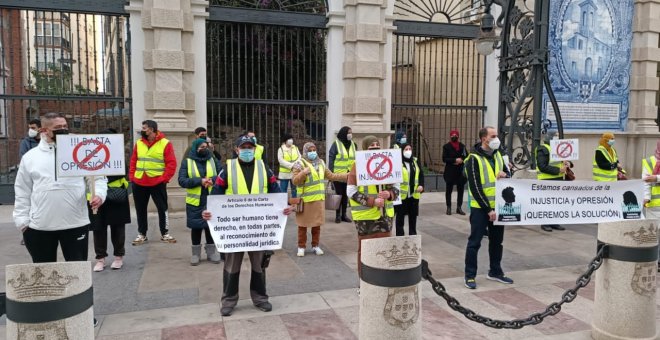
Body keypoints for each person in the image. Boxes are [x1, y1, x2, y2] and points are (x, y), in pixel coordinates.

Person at [201, 135, 292, 317]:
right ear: (236, 150)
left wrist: (285, 207)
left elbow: (276, 192)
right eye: (244, 147)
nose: (247, 150)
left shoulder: (264, 168)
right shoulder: (227, 169)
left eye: (250, 147)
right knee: (231, 266)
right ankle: (228, 300)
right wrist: (207, 211)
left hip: (259, 228)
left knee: (259, 265)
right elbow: (216, 194)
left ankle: (260, 298)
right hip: (235, 229)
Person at [13, 112, 107, 263]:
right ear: (44, 130)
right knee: (45, 275)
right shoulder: (30, 157)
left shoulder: (80, 152)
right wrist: (23, 222)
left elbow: (98, 178)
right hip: (40, 227)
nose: (63, 129)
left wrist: (100, 195)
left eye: (65, 126)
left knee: (78, 275)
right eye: (58, 127)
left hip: (75, 223)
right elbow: (22, 191)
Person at [463, 126, 513, 289]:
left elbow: (509, 175)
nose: (496, 139)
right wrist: (488, 210)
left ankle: (495, 271)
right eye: (493, 136)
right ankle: (470, 276)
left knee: (497, 242)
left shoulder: (498, 155)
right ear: (484, 138)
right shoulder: (473, 159)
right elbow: (476, 187)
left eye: (496, 136)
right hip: (481, 208)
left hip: (498, 206)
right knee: (474, 242)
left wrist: (505, 175)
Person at [348, 135, 399, 275]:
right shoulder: (357, 165)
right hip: (365, 217)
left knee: (385, 249)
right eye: (372, 146)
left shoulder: (387, 162)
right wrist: (372, 201)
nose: (375, 147)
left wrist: (389, 194)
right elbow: (351, 191)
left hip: (385, 216)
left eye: (377, 145)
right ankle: (364, 282)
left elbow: (396, 188)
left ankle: (383, 279)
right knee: (366, 250)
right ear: (365, 148)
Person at [291, 142, 348, 257]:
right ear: (305, 151)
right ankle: (301, 247)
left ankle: (315, 246)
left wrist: (348, 176)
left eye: (314, 150)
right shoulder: (299, 163)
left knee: (316, 225)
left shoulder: (321, 163)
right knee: (302, 225)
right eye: (310, 150)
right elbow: (295, 181)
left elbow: (331, 176)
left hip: (318, 200)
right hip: (305, 200)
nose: (313, 152)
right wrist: (303, 172)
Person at [129, 119, 177, 245]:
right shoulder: (139, 143)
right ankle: (142, 234)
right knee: (140, 209)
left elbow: (171, 163)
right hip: (139, 181)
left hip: (157, 182)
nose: (142, 130)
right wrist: (132, 177)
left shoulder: (165, 143)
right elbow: (133, 161)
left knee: (162, 208)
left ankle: (165, 233)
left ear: (152, 129)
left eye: (144, 128)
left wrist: (164, 179)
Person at [91, 128, 131, 272]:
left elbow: (124, 172)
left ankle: (118, 256)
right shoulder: (91, 154)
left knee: (118, 228)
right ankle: (100, 258)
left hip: (116, 194)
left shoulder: (119, 154)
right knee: (98, 228)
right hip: (96, 196)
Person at [179, 138, 222, 265]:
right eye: (201, 147)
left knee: (210, 227)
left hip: (211, 199)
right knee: (196, 227)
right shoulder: (187, 162)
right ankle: (195, 254)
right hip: (195, 201)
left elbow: (222, 175)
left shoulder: (213, 159)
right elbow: (182, 180)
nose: (204, 149)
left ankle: (211, 252)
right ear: (195, 148)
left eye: (206, 146)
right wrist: (200, 181)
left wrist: (211, 180)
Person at [535, 130, 570, 232]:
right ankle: (545, 223)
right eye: (555, 136)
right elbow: (542, 166)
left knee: (556, 202)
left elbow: (560, 162)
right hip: (546, 180)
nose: (557, 138)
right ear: (549, 137)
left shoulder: (557, 149)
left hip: (558, 179)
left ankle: (554, 222)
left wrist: (567, 164)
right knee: (547, 202)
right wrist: (558, 170)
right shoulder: (542, 149)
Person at [328, 126, 357, 223]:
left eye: (351, 132)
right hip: (338, 175)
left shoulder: (353, 144)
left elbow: (355, 159)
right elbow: (331, 159)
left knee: (346, 195)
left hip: (350, 175)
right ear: (344, 133)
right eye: (349, 132)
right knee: (338, 195)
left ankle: (344, 214)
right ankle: (337, 215)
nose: (350, 134)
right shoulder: (336, 144)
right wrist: (330, 174)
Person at [395, 143, 424, 236]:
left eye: (409, 149)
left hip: (414, 194)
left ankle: (413, 234)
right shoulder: (398, 162)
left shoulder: (415, 161)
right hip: (402, 195)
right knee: (400, 217)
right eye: (406, 149)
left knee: (413, 216)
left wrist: (421, 185)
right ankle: (400, 236)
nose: (408, 151)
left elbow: (420, 174)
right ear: (402, 151)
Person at [641, 139, 660, 271]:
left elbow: (652, 179)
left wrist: (657, 178)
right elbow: (646, 181)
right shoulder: (648, 161)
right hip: (653, 205)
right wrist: (646, 198)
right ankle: (654, 261)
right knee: (654, 236)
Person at [442, 129, 468, 215]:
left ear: (458, 136)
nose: (454, 137)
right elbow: (444, 159)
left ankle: (459, 207)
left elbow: (466, 157)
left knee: (460, 190)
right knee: (448, 190)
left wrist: (462, 160)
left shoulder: (462, 146)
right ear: (450, 136)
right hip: (450, 171)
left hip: (460, 172)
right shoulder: (446, 146)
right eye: (452, 135)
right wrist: (454, 160)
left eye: (455, 135)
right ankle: (448, 207)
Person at [277, 133, 300, 197]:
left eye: (291, 139)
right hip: (284, 174)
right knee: (283, 190)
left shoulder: (295, 148)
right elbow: (281, 160)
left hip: (294, 173)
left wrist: (296, 163)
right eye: (289, 139)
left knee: (294, 190)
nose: (291, 140)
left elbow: (299, 157)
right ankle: (283, 204)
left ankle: (294, 204)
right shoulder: (281, 149)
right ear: (285, 141)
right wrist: (292, 165)